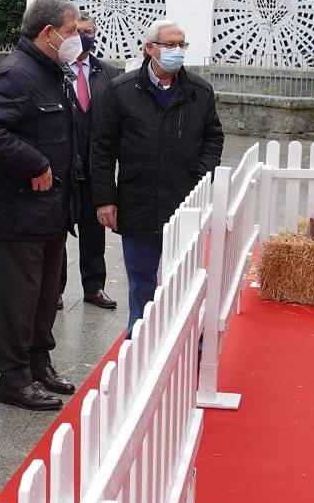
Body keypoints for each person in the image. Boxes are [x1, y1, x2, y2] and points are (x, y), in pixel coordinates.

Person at [0, 0, 82, 411]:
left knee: (46, 293)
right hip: (21, 210)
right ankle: (13, 379)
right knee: (19, 299)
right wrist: (33, 162)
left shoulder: (51, 71)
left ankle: (39, 363)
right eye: (70, 33)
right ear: (47, 33)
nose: (76, 40)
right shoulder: (17, 73)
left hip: (50, 208)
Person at [91, 19, 224, 333]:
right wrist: (105, 199)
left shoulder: (199, 91)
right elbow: (102, 147)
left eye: (182, 45)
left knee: (186, 278)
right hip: (138, 198)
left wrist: (201, 175)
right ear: (149, 48)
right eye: (170, 45)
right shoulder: (122, 90)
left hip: (185, 197)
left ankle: (189, 340)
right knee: (141, 282)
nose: (177, 51)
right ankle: (139, 340)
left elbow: (213, 137)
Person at [58, 13, 119, 311]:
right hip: (63, 165)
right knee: (57, 228)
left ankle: (94, 286)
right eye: (78, 31)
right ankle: (54, 290)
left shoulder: (108, 73)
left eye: (89, 31)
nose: (84, 36)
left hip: (96, 165)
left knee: (95, 229)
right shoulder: (55, 71)